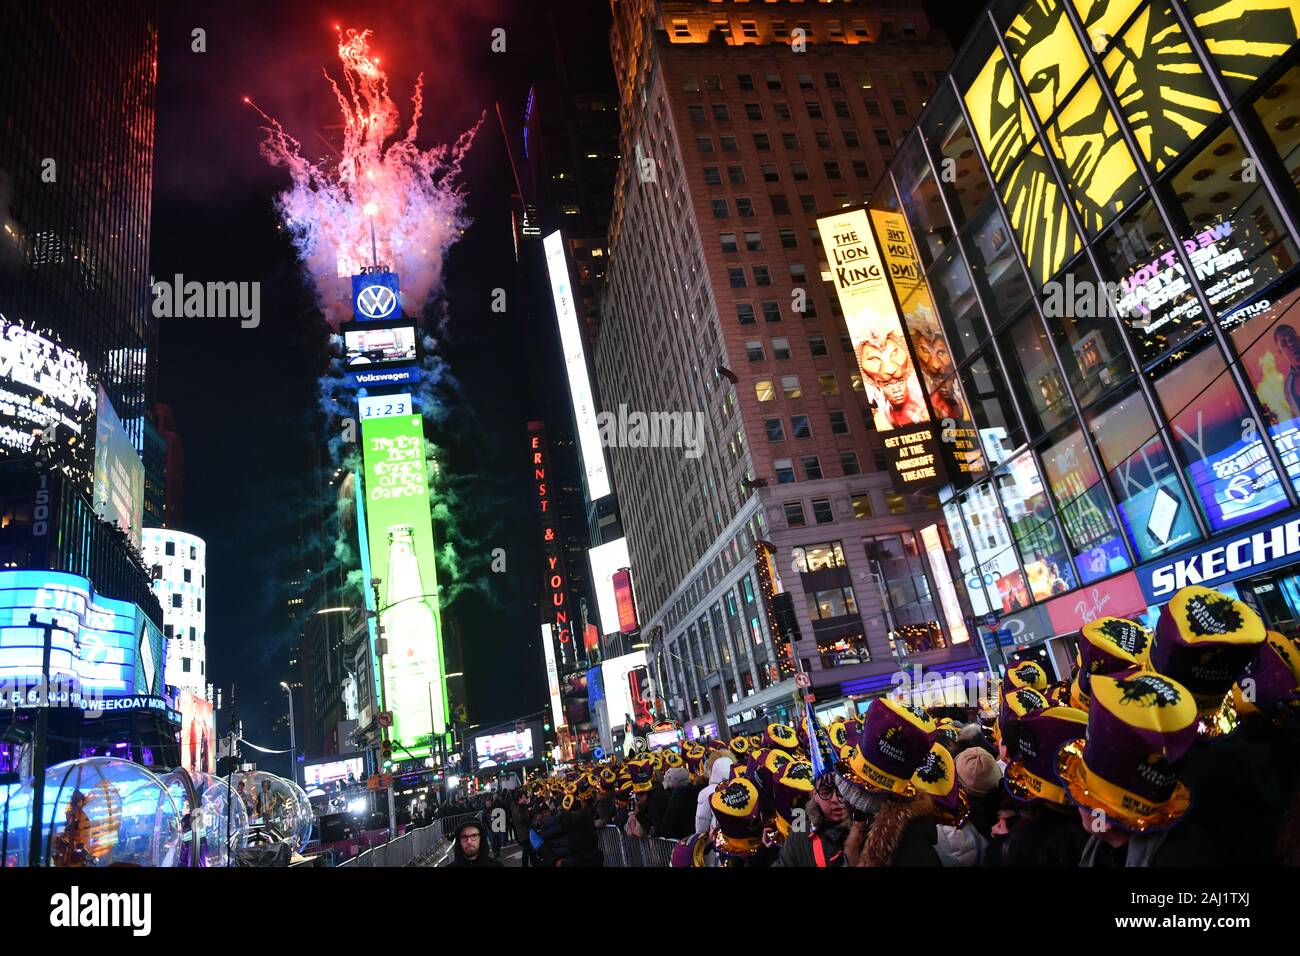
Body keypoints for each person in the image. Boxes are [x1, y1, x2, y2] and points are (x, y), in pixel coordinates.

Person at [770, 772, 851, 867]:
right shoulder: (799, 836)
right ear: (815, 795)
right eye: (826, 792)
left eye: (841, 791)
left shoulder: (869, 830)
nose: (835, 799)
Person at [694, 753, 734, 834]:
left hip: (717, 839)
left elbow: (701, 822)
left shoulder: (706, 792)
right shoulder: (739, 787)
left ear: (713, 770)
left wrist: (702, 840)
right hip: (737, 837)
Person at [657, 766, 697, 839]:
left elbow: (669, 821)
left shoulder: (677, 796)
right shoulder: (694, 791)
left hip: (679, 838)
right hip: (691, 835)